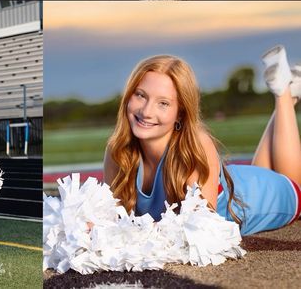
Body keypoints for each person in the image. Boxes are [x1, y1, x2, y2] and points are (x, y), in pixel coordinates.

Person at [104, 50, 301, 235]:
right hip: (239, 180)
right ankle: (286, 94)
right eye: (140, 95)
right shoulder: (118, 149)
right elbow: (113, 218)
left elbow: (199, 227)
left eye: (163, 103)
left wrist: (132, 232)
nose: (146, 112)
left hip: (258, 199)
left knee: (296, 186)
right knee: (266, 171)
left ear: (180, 113)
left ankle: (283, 94)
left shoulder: (195, 144)